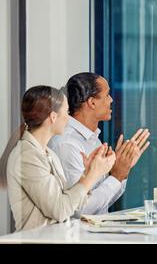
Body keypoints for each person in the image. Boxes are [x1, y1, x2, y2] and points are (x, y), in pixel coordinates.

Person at [0, 86, 115, 231]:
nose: (69, 118)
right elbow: (60, 210)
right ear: (53, 117)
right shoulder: (26, 157)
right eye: (66, 112)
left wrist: (86, 173)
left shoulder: (48, 154)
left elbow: (69, 203)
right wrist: (92, 176)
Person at [49, 73, 150, 215]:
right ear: (92, 102)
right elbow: (79, 210)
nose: (111, 100)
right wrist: (116, 176)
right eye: (107, 95)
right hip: (78, 236)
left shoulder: (92, 139)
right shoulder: (66, 144)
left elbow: (103, 203)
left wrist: (121, 171)